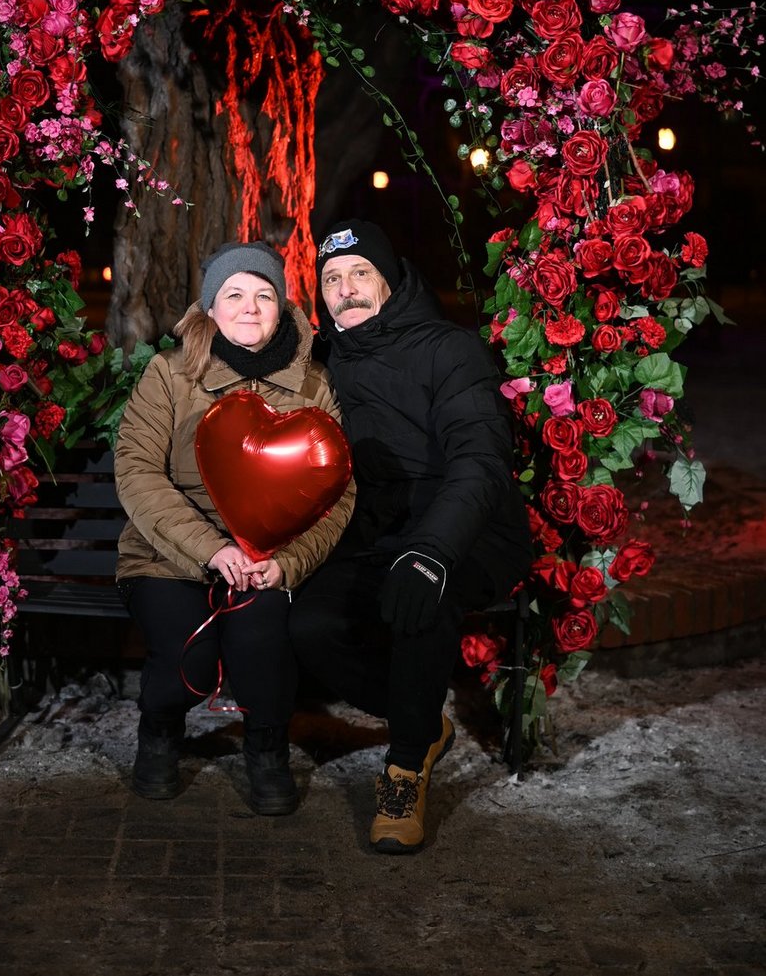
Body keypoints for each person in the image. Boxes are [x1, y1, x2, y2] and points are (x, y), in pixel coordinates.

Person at [289, 219, 532, 854]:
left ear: (391, 281)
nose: (346, 289)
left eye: (360, 273)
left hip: (469, 531)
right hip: (376, 533)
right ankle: (421, 723)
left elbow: (479, 461)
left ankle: (403, 769)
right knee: (309, 625)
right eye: (332, 279)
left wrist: (432, 550)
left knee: (422, 594)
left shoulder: (449, 350)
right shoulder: (323, 363)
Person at [113, 239, 355, 817]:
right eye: (234, 294)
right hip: (168, 556)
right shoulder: (170, 375)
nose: (250, 307)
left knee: (260, 640)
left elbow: (338, 491)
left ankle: (267, 748)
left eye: (264, 295)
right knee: (188, 654)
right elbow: (137, 472)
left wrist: (286, 563)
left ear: (282, 307)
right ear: (210, 307)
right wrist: (212, 550)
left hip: (268, 557)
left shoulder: (313, 384)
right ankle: (160, 731)